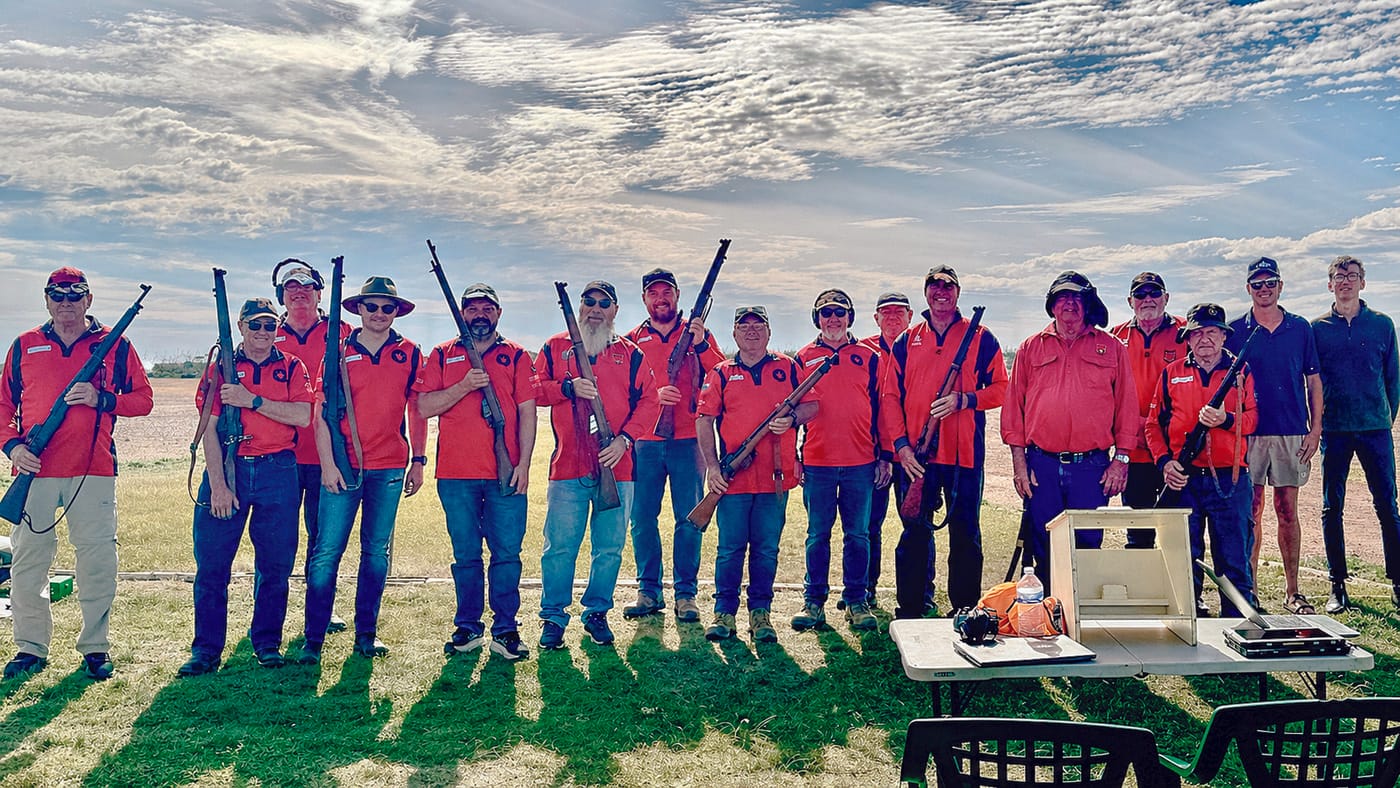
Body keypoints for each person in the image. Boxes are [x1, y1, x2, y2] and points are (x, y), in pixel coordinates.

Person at [0, 267, 153, 681]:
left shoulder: (115, 346)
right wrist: (13, 447)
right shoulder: (24, 345)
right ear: (46, 300)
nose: (66, 304)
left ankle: (95, 647)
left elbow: (143, 400)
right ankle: (30, 648)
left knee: (97, 559)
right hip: (34, 470)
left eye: (74, 296)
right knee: (29, 562)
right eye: (57, 296)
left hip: (94, 470)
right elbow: (2, 408)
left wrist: (102, 398)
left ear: (88, 300)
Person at [181, 297, 313, 676]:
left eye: (270, 325)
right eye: (255, 324)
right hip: (229, 467)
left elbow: (302, 415)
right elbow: (208, 428)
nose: (262, 332)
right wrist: (219, 486)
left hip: (277, 471)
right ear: (240, 326)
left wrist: (252, 400)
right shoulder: (220, 367)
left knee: (275, 565)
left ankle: (267, 644)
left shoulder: (291, 366)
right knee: (212, 567)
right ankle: (206, 650)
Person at [300, 277, 426, 663]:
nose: (378, 314)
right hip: (344, 468)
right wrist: (327, 466)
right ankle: (313, 640)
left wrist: (418, 460)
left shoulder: (410, 352)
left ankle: (366, 636)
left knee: (375, 554)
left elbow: (416, 410)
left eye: (387, 307)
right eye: (371, 306)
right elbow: (320, 415)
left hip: (388, 467)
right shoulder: (336, 353)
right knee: (326, 553)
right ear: (358, 310)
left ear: (396, 312)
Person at [535, 281, 661, 649]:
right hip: (567, 468)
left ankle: (596, 612)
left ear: (615, 310)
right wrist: (567, 388)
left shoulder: (631, 353)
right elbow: (532, 389)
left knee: (609, 548)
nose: (595, 308)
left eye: (603, 303)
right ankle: (554, 617)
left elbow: (650, 403)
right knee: (559, 546)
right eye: (588, 301)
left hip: (618, 469)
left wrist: (625, 441)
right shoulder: (555, 348)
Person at [417, 282, 537, 660]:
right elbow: (424, 406)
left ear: (498, 314)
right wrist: (464, 385)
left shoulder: (516, 356)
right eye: (472, 309)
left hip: (505, 475)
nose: (480, 315)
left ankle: (505, 630)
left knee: (507, 554)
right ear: (462, 313)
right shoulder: (441, 354)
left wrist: (523, 465)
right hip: (455, 474)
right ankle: (468, 626)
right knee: (466, 554)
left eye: (487, 308)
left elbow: (528, 413)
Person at [880, 266, 1007, 618]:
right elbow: (890, 396)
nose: (941, 292)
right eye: (934, 286)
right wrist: (902, 447)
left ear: (958, 292)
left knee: (965, 535)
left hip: (964, 455)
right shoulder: (908, 340)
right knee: (914, 534)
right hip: (917, 457)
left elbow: (1000, 388)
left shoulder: (981, 337)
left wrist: (964, 400)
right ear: (925, 293)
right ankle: (911, 608)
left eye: (948, 286)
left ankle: (965, 608)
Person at [1001, 271, 1137, 590]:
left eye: (1077, 298)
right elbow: (1013, 412)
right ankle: (1047, 617)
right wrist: (1020, 465)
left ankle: (1081, 618)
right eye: (1063, 298)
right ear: (1052, 306)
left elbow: (1127, 408)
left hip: (1092, 467)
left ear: (1088, 305)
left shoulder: (1112, 348)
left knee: (1087, 544)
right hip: (1041, 465)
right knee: (1044, 545)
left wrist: (1122, 460)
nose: (1070, 304)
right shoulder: (1030, 348)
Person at [696, 306, 817, 642]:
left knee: (766, 549)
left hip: (774, 480)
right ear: (734, 333)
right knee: (730, 548)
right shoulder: (721, 372)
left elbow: (813, 405)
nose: (751, 331)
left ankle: (760, 614)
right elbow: (704, 420)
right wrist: (713, 466)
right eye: (743, 326)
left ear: (769, 331)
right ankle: (724, 614)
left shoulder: (789, 367)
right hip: (733, 478)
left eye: (758, 325)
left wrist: (792, 419)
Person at [622, 268, 724, 623]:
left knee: (689, 518)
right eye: (654, 293)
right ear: (644, 299)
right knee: (642, 519)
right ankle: (648, 590)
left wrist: (698, 345)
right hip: (645, 442)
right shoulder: (632, 339)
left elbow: (723, 374)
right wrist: (653, 396)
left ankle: (686, 594)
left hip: (688, 442)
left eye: (667, 292)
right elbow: (623, 389)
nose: (661, 298)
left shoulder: (699, 334)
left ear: (678, 296)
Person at [1146, 303, 1258, 617]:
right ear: (1188, 338)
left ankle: (1238, 631)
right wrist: (1165, 463)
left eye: (1211, 332)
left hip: (1230, 481)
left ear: (1223, 336)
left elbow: (1253, 421)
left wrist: (1226, 419)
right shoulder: (1172, 372)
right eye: (1197, 333)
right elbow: (1153, 425)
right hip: (1185, 478)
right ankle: (1187, 626)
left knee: (1233, 560)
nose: (1204, 339)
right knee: (1185, 555)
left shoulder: (1240, 372)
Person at [1225, 257, 1322, 614]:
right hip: (1248, 433)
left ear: (1281, 286)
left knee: (1286, 509)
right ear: (1248, 288)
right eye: (1257, 284)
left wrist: (1315, 429)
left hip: (1291, 430)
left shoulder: (1299, 328)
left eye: (1270, 283)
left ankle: (1293, 591)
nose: (1264, 289)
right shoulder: (1236, 329)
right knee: (1250, 511)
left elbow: (1313, 380)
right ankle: (1249, 594)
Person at [791, 289, 884, 632]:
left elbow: (882, 409)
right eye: (826, 313)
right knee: (817, 534)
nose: (833, 319)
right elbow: (791, 412)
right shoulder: (803, 358)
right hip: (818, 463)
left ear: (850, 317)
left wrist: (883, 456)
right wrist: (794, 458)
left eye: (840, 313)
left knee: (858, 535)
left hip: (861, 463)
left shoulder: (869, 356)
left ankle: (857, 601)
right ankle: (813, 602)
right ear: (817, 318)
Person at [1311, 256, 1400, 611]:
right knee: (1332, 507)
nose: (1345, 281)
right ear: (1329, 284)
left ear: (1363, 283)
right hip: (1335, 429)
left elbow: (1393, 380)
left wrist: (1384, 416)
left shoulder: (1381, 325)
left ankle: (1397, 579)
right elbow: (1312, 381)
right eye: (1338, 276)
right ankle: (1337, 584)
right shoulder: (1318, 329)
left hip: (1375, 428)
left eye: (1352, 276)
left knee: (1387, 506)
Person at [271, 259, 352, 634]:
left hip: (328, 455)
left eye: (307, 287)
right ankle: (271, 610)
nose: (299, 293)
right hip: (281, 455)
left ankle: (323, 608)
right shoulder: (267, 333)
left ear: (321, 293)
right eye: (291, 288)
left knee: (324, 538)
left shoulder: (344, 332)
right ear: (281, 297)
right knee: (278, 538)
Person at [1109, 272, 1186, 547]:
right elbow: (1107, 393)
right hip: (1135, 450)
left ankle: (1178, 590)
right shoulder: (1115, 337)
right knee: (1138, 531)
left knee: (1175, 534)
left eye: (1154, 293)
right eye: (1140, 295)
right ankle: (1141, 589)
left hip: (1175, 451)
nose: (1148, 300)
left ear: (1166, 298)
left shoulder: (1186, 332)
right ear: (1130, 301)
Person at [860, 292, 922, 610]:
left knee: (917, 524)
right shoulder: (864, 350)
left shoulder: (921, 346)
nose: (893, 318)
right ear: (876, 318)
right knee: (870, 524)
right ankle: (865, 589)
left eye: (899, 312)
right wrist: (880, 454)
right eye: (886, 313)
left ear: (911, 315)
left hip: (912, 455)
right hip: (876, 456)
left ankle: (921, 592)